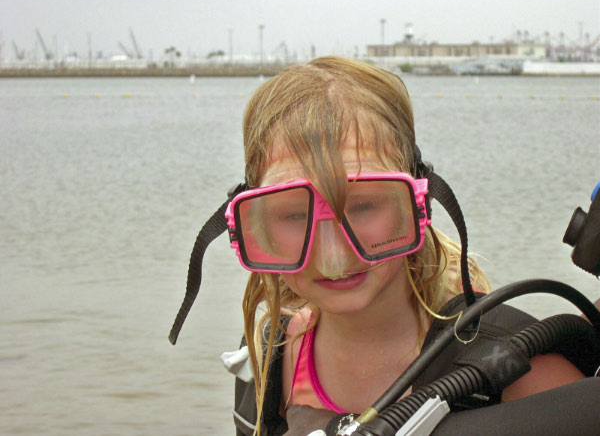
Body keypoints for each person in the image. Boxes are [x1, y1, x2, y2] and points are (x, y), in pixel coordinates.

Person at [212, 57, 586, 435]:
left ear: (418, 205)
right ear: (254, 224)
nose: (332, 255)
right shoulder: (269, 356)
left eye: (362, 206)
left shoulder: (517, 366)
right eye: (294, 215)